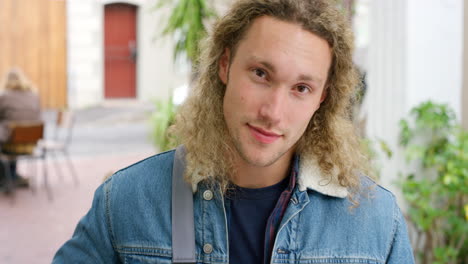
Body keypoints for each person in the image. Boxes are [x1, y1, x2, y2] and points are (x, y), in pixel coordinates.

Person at [53, 0, 415, 263]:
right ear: (225, 65)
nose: (273, 112)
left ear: (322, 97)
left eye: (301, 88)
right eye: (261, 73)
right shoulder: (126, 202)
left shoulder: (377, 223)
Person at [0, 67, 41, 188]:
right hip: (30, 144)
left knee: (7, 134)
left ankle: (6, 178)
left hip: (11, 144)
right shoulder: (34, 95)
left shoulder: (4, 96)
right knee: (12, 132)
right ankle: (12, 176)